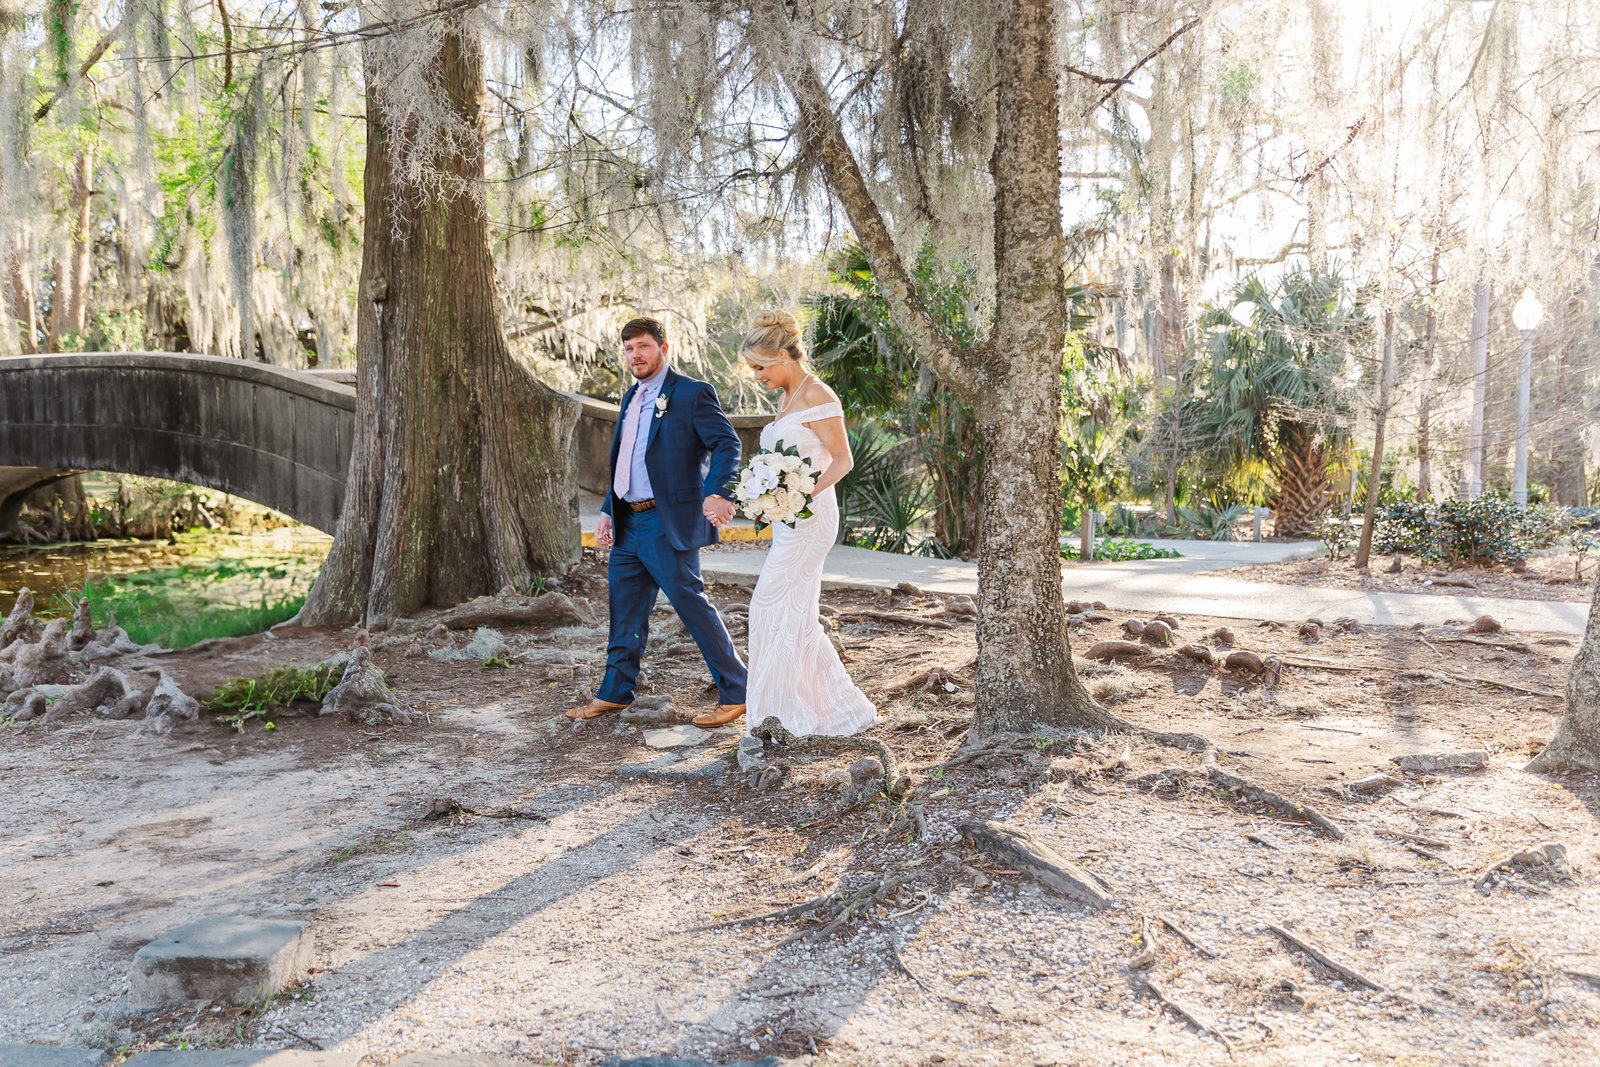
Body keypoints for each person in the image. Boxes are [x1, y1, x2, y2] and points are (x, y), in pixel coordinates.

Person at [566, 317, 749, 724]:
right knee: (624, 610)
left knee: (691, 605)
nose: (636, 355)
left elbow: (727, 443)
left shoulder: (691, 393)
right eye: (629, 349)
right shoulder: (630, 397)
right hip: (628, 523)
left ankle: (738, 690)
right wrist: (608, 511)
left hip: (667, 523)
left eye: (644, 347)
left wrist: (718, 491)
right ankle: (615, 692)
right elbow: (625, 460)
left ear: (664, 349)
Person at [739, 311, 877, 736]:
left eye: (761, 367)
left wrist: (798, 494)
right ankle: (814, 709)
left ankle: (783, 713)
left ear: (783, 355)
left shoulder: (817, 394)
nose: (757, 376)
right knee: (792, 613)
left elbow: (842, 460)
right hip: (788, 520)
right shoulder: (785, 398)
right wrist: (766, 493)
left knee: (769, 605)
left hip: (812, 517)